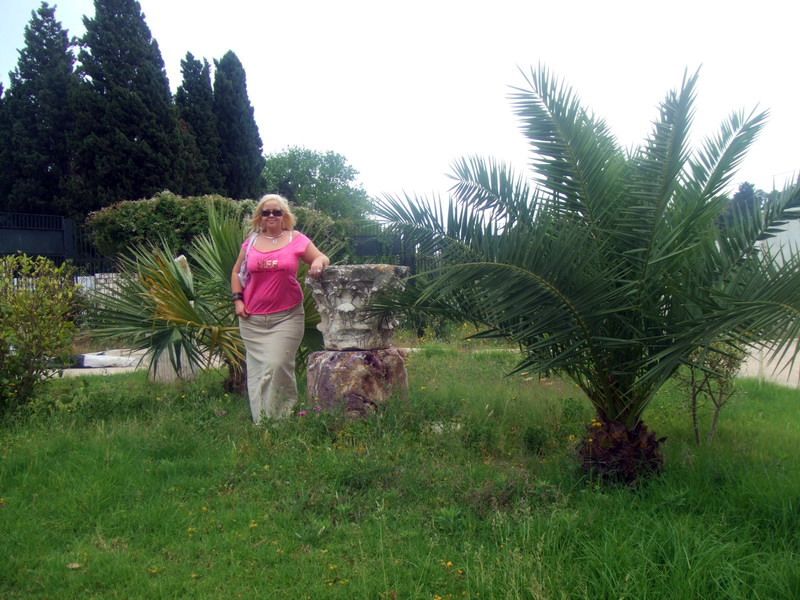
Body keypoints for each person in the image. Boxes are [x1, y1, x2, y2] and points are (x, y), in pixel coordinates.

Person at [231, 194, 330, 423]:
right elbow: (236, 272)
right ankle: (262, 421)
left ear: (284, 215)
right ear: (260, 216)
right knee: (258, 372)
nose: (271, 216)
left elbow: (322, 257)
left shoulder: (296, 239)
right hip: (252, 320)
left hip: (287, 317)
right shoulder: (251, 242)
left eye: (277, 212)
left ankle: (280, 421)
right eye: (266, 212)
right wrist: (238, 301)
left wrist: (317, 262)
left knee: (277, 365)